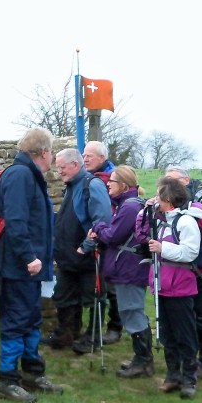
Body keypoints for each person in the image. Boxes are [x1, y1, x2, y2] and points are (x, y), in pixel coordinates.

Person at [0, 128, 62, 403]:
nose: (52, 157)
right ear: (44, 152)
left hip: (26, 266)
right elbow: (16, 221)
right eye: (51, 151)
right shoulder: (20, 175)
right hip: (15, 266)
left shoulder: (28, 174)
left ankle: (32, 373)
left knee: (31, 319)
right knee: (16, 320)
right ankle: (7, 380)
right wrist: (29, 257)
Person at [134, 176, 202, 399]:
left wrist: (163, 248)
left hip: (180, 287)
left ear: (169, 198)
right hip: (162, 285)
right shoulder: (161, 219)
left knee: (185, 334)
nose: (156, 198)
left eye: (159, 194)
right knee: (166, 334)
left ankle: (190, 378)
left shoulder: (186, 222)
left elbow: (191, 252)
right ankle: (173, 375)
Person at [41, 148, 112, 353]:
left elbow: (102, 221)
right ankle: (67, 334)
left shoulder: (92, 185)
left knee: (93, 298)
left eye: (62, 167)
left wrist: (85, 247)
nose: (59, 172)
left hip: (87, 257)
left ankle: (92, 338)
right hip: (68, 258)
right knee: (63, 295)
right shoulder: (71, 186)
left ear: (75, 165)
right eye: (58, 167)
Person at [89, 165, 154, 378]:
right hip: (127, 267)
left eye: (113, 181)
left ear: (124, 185)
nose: (108, 183)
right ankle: (141, 359)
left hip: (129, 268)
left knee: (132, 311)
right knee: (130, 311)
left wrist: (98, 227)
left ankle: (143, 361)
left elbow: (113, 236)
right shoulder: (128, 205)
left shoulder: (129, 208)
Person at [165, 165, 202, 380]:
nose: (167, 184)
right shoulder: (173, 199)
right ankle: (189, 359)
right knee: (186, 316)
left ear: (185, 180)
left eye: (172, 179)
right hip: (184, 267)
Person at [82, 140, 122, 345]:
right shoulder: (87, 178)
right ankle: (95, 326)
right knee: (99, 284)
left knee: (112, 286)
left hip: (114, 239)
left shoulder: (116, 178)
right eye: (84, 155)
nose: (85, 158)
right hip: (96, 236)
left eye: (90, 155)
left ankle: (115, 327)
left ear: (102, 158)